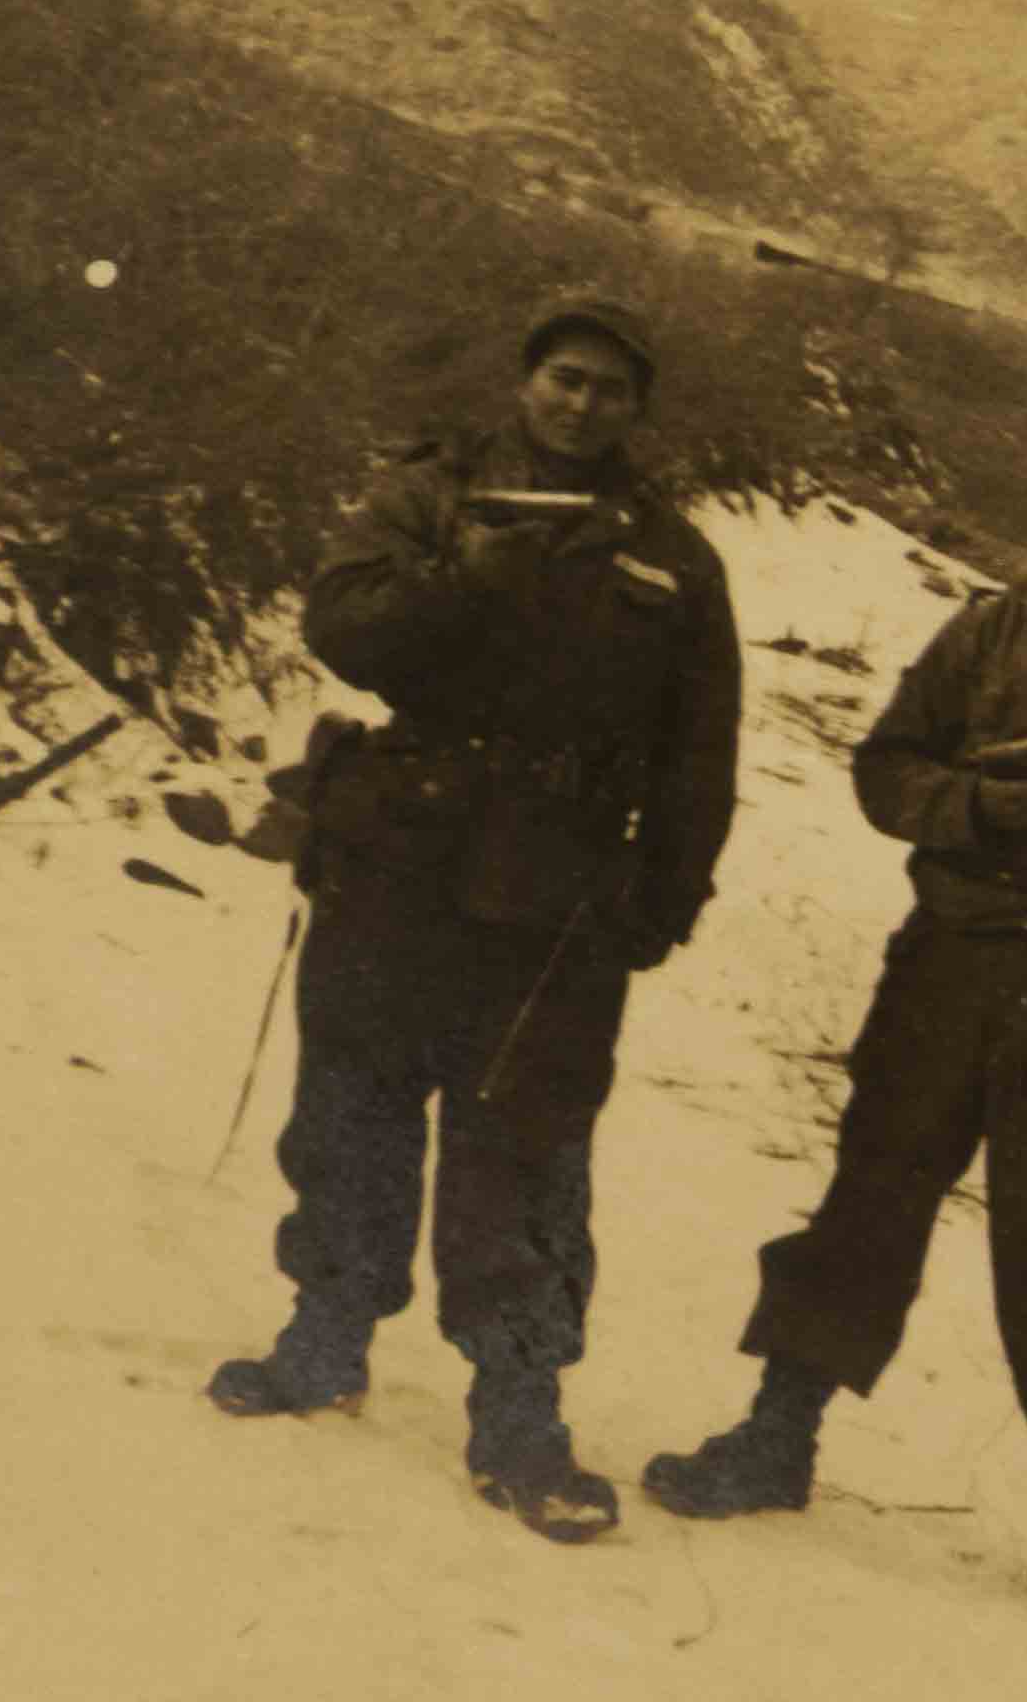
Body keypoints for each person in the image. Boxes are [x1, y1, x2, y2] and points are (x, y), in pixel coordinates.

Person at [643, 377, 1027, 1651]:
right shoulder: (988, 634)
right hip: (951, 966)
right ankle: (776, 1436)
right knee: (871, 1195)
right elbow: (884, 769)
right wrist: (974, 814)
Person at [208, 299, 742, 1541]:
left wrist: (664, 896)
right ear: (525, 381)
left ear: (637, 409)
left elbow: (699, 746)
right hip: (400, 857)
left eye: (611, 388)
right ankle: (324, 1338)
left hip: (555, 896)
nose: (580, 403)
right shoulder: (429, 495)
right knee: (353, 1104)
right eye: (563, 378)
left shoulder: (673, 554)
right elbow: (339, 626)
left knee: (530, 1145)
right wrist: (463, 581)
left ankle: (519, 1413)